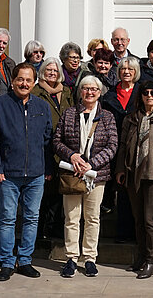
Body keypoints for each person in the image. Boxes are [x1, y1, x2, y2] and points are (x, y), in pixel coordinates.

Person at [0, 62, 52, 282]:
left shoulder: (42, 106)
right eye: (20, 79)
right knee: (7, 219)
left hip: (35, 174)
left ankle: (25, 261)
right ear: (12, 81)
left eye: (28, 80)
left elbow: (47, 140)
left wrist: (47, 168)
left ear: (34, 83)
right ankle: (6, 262)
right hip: (7, 174)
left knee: (31, 218)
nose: (24, 83)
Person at [52, 76, 118, 278]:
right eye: (86, 89)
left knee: (92, 218)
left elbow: (112, 145)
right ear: (80, 92)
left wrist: (91, 164)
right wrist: (72, 156)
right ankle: (71, 258)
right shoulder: (69, 114)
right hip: (72, 173)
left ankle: (89, 258)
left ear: (99, 92)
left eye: (94, 89)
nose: (90, 92)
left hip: (96, 176)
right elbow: (56, 141)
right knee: (72, 218)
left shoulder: (107, 116)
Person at [114, 81, 153, 279]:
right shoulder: (131, 118)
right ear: (140, 96)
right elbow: (122, 145)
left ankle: (151, 260)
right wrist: (121, 169)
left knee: (149, 219)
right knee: (138, 218)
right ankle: (140, 257)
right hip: (133, 173)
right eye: (146, 93)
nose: (149, 96)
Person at [31, 57, 75, 240]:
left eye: (55, 70)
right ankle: (40, 232)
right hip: (43, 146)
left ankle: (55, 228)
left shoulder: (66, 91)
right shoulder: (36, 91)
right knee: (42, 194)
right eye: (48, 70)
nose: (52, 73)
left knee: (59, 192)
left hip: (63, 148)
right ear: (42, 72)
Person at [102, 56, 141, 243]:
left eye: (130, 69)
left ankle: (136, 231)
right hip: (113, 145)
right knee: (117, 189)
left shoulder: (143, 93)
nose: (126, 72)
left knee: (133, 190)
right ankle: (122, 231)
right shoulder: (109, 95)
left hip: (136, 146)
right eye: (123, 69)